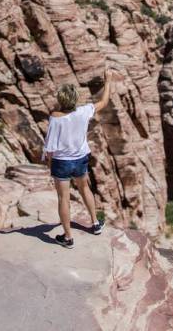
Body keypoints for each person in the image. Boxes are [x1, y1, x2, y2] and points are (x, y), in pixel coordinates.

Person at [43, 67, 115, 248]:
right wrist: (108, 81)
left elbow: (50, 147)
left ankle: (68, 238)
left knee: (63, 199)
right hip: (80, 158)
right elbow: (104, 101)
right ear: (74, 99)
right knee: (85, 189)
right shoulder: (84, 111)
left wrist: (50, 164)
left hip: (61, 162)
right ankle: (95, 224)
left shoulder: (55, 118)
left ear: (61, 100)